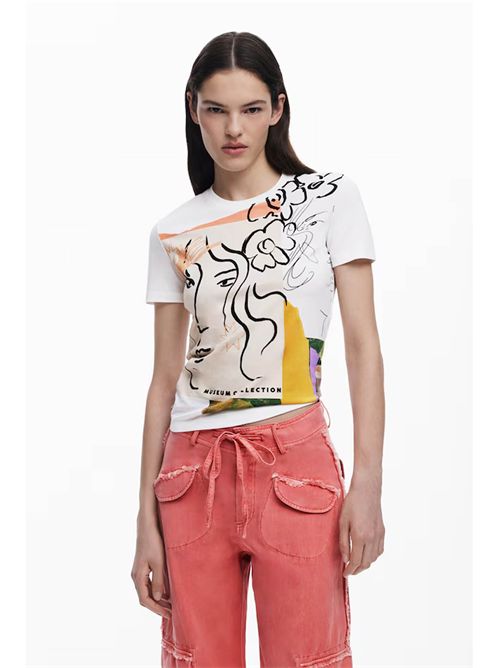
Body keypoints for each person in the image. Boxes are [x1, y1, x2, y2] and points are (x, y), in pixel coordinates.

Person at [131, 31, 385, 668]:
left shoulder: (329, 200)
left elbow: (363, 347)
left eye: (250, 109)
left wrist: (368, 486)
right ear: (194, 110)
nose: (233, 129)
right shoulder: (173, 231)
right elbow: (163, 380)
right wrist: (144, 522)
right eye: (216, 110)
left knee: (309, 659)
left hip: (296, 463)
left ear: (278, 108)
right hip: (191, 475)